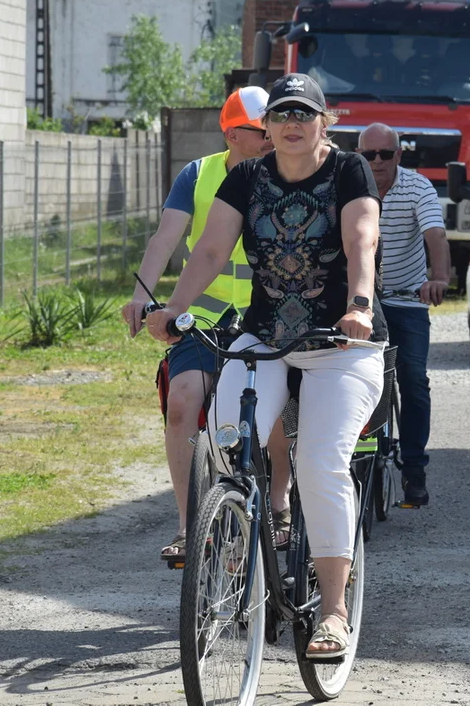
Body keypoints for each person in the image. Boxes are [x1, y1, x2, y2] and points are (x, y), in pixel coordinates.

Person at [147, 73, 386, 658]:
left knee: (321, 461)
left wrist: (358, 305)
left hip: (341, 341)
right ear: (266, 127)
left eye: (304, 114)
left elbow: (361, 238)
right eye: (281, 115)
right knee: (229, 440)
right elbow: (209, 249)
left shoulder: (349, 169)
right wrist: (174, 309)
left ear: (324, 122)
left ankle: (332, 611)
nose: (291, 124)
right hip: (267, 333)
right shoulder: (247, 176)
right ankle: (241, 532)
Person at [121, 87, 295, 561]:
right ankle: (188, 526)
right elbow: (165, 238)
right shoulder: (197, 175)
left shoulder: (286, 173)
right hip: (206, 316)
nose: (272, 138)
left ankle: (279, 503)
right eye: (263, 131)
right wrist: (143, 296)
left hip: (267, 316)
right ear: (235, 133)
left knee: (271, 411)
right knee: (181, 404)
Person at [357, 122, 451, 506]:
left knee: (413, 380)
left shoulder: (418, 187)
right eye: (368, 155)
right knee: (347, 376)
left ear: (398, 155)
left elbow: (436, 235)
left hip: (406, 298)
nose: (376, 162)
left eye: (384, 154)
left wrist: (439, 278)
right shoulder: (349, 182)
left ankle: (414, 467)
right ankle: (349, 455)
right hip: (360, 301)